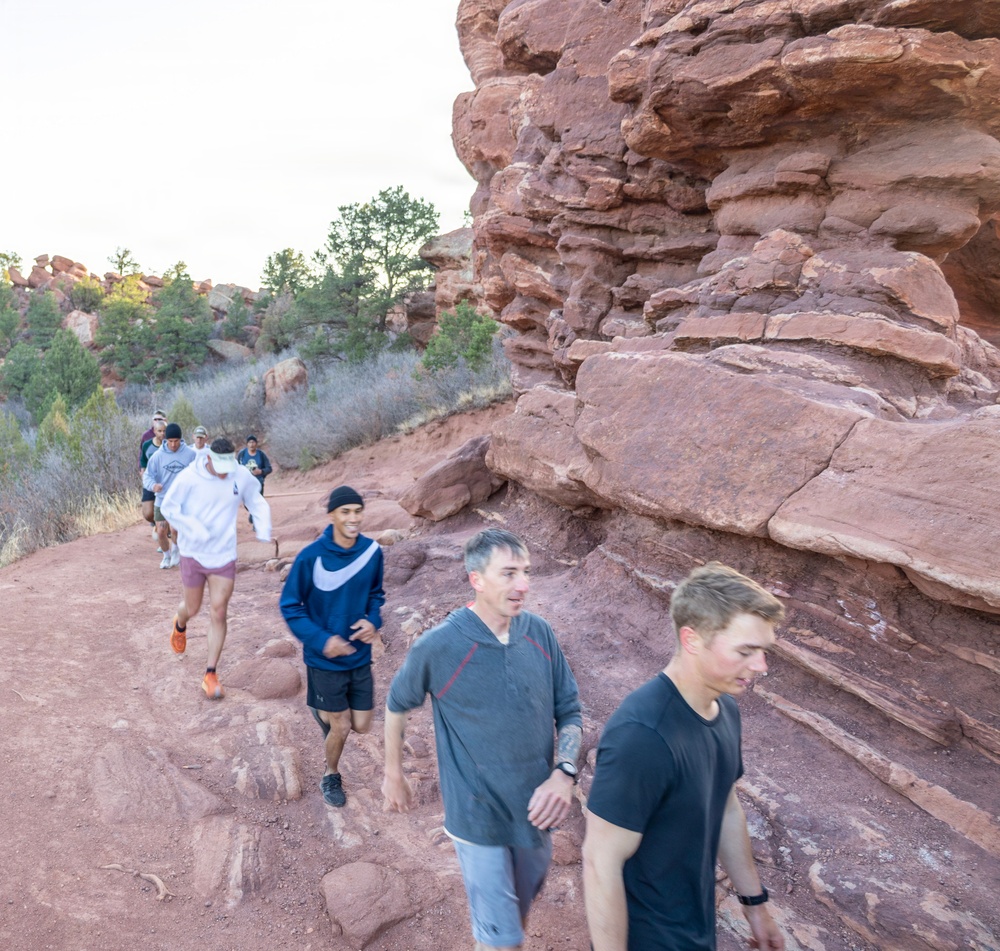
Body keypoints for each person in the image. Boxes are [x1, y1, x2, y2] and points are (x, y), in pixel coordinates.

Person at [383, 528, 582, 951]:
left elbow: (570, 710)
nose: (523, 584)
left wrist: (564, 774)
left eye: (526, 572)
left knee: (515, 921)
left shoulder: (540, 633)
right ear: (477, 579)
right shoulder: (438, 647)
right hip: (477, 817)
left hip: (534, 813)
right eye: (509, 573)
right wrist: (392, 773)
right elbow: (397, 704)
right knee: (503, 940)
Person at [582, 562, 786, 951]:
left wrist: (755, 905)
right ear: (692, 639)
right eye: (745, 650)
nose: (761, 666)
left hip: (694, 928)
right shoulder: (642, 736)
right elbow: (598, 861)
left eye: (763, 651)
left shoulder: (722, 708)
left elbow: (725, 808)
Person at [279, 486, 385, 807]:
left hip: (359, 656)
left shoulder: (372, 552)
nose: (353, 518)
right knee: (340, 726)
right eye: (345, 512)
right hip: (323, 660)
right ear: (332, 516)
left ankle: (319, 705)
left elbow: (376, 595)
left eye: (357, 511)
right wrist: (323, 640)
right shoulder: (311, 557)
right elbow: (290, 605)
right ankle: (331, 774)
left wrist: (373, 621)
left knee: (361, 725)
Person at [159, 437, 272, 700]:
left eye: (228, 465)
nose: (224, 472)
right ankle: (180, 622)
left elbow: (256, 499)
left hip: (223, 554)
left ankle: (210, 674)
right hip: (193, 553)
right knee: (193, 607)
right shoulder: (189, 477)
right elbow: (168, 507)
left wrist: (263, 528)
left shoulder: (239, 474)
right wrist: (192, 527)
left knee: (219, 611)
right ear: (208, 458)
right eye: (219, 465)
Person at [143, 423, 195, 568]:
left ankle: (176, 550)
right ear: (166, 440)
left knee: (175, 529)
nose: (173, 444)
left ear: (180, 439)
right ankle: (166, 556)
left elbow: (199, 473)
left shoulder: (190, 454)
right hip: (162, 499)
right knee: (160, 531)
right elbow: (147, 476)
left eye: (176, 441)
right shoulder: (158, 456)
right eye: (170, 441)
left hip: (181, 500)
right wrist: (153, 485)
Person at [139, 418, 166, 530]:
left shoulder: (170, 445)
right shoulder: (147, 445)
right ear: (154, 431)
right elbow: (143, 461)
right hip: (151, 482)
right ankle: (158, 524)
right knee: (148, 514)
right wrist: (143, 473)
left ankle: (164, 529)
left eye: (164, 431)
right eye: (159, 431)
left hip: (165, 482)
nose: (162, 433)